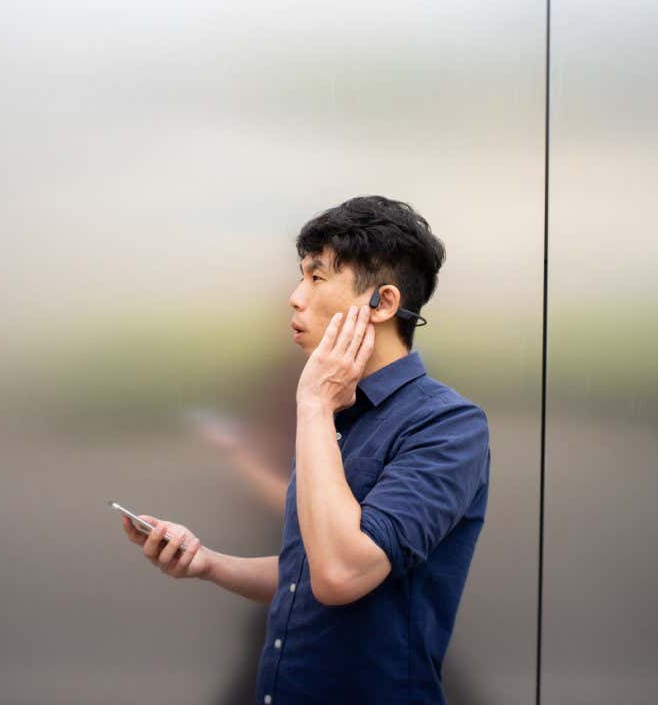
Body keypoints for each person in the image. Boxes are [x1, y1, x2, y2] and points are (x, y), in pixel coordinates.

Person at [120, 195, 491, 704]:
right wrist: (208, 563)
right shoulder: (336, 409)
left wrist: (313, 404)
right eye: (301, 276)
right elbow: (307, 573)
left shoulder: (447, 425)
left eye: (316, 278)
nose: (295, 297)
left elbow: (342, 573)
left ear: (382, 303)